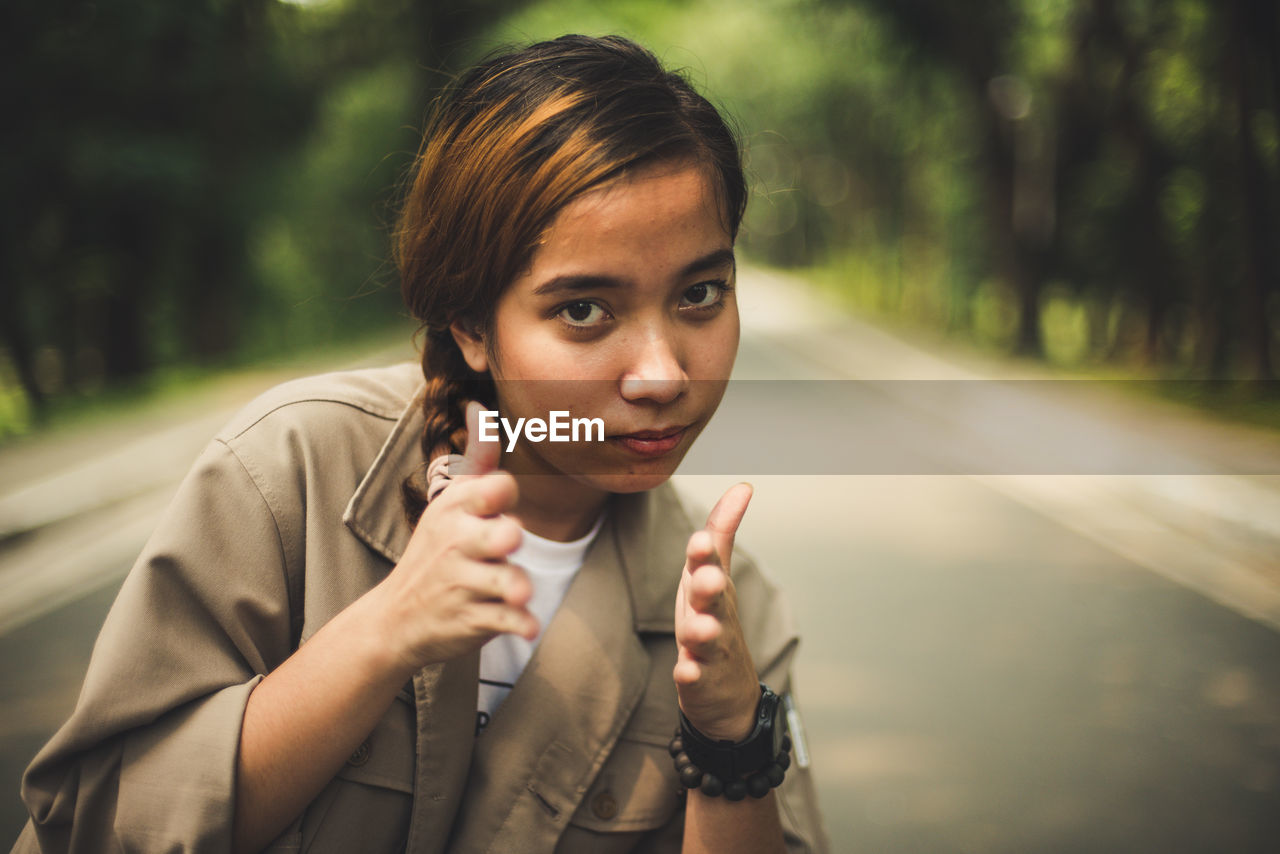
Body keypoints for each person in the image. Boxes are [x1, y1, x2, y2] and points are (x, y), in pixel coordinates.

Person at [13, 34, 828, 853]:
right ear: (472, 324)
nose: (660, 376)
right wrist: (388, 627)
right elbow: (91, 824)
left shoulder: (728, 611)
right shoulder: (292, 474)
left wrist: (731, 746)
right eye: (585, 310)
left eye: (700, 293)